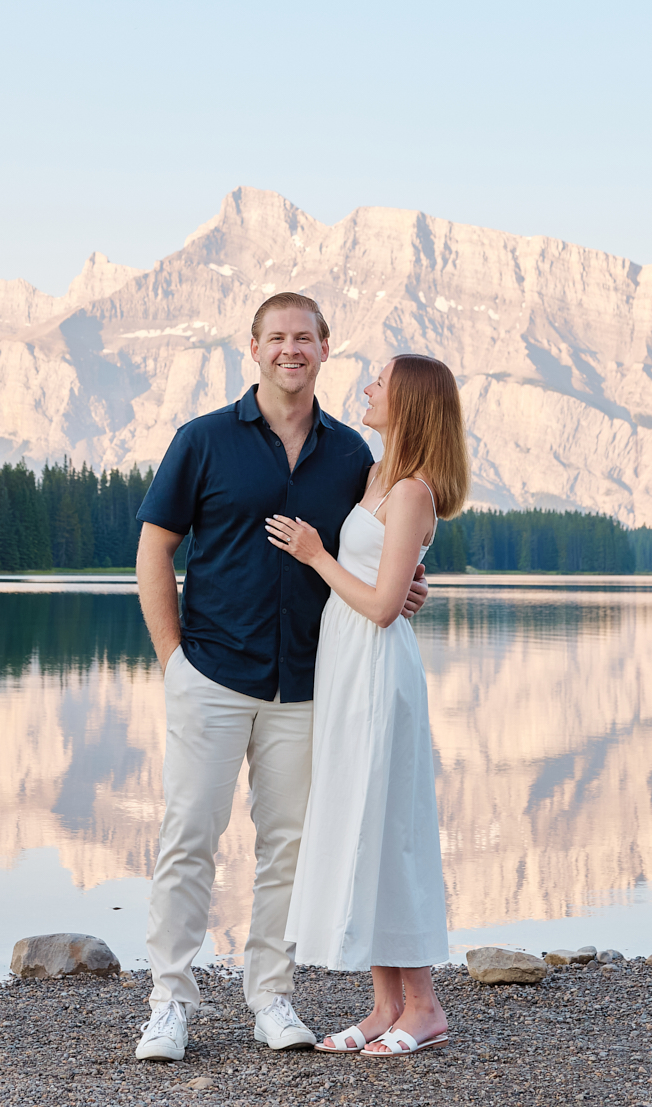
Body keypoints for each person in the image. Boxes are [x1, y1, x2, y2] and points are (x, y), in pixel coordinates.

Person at [131, 293, 429, 1064]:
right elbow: (153, 551)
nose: (290, 349)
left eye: (305, 337)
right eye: (277, 337)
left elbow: (378, 551)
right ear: (253, 347)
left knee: (287, 848)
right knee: (187, 838)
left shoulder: (352, 457)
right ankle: (169, 1001)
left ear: (325, 348)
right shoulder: (201, 440)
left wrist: (411, 585)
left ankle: (270, 994)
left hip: (307, 685)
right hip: (212, 672)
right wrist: (174, 660)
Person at [269, 353, 465, 1057]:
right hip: (349, 669)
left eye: (379, 380)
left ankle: (426, 1006)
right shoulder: (377, 473)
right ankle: (385, 1005)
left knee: (389, 832)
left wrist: (318, 557)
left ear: (408, 403)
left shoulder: (413, 489)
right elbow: (393, 582)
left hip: (379, 672)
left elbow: (384, 606)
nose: (367, 387)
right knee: (362, 823)